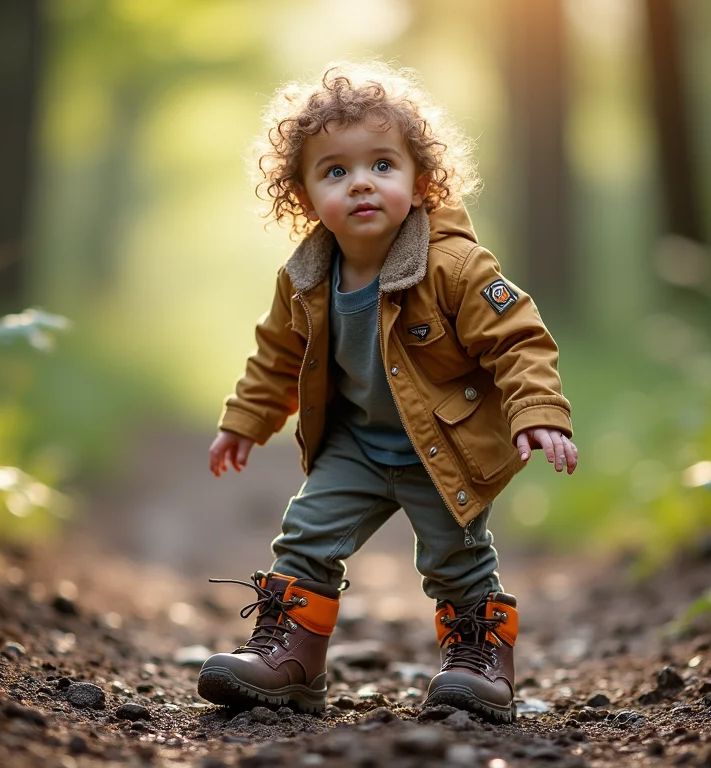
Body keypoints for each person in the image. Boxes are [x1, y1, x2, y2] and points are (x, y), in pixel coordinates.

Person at [198, 61, 578, 724]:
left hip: (443, 449)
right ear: (304, 195)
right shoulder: (306, 277)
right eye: (335, 171)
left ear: (419, 179)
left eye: (382, 164)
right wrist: (244, 421)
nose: (362, 183)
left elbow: (517, 340)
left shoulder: (454, 265)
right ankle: (291, 661)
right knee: (305, 537)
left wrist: (537, 414)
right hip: (355, 448)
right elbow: (277, 355)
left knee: (457, 562)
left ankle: (479, 662)